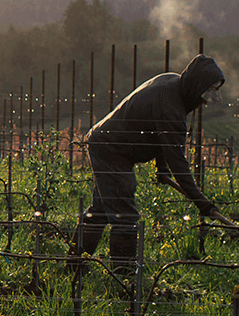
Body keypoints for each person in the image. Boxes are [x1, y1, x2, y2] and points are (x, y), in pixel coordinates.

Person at [69, 53, 225, 275]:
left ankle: (74, 263)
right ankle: (124, 275)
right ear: (194, 86)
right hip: (111, 150)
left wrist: (161, 168)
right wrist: (202, 203)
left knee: (101, 209)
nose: (203, 102)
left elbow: (160, 135)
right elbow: (178, 163)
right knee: (125, 215)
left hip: (106, 141)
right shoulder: (171, 109)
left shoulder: (172, 83)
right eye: (204, 94)